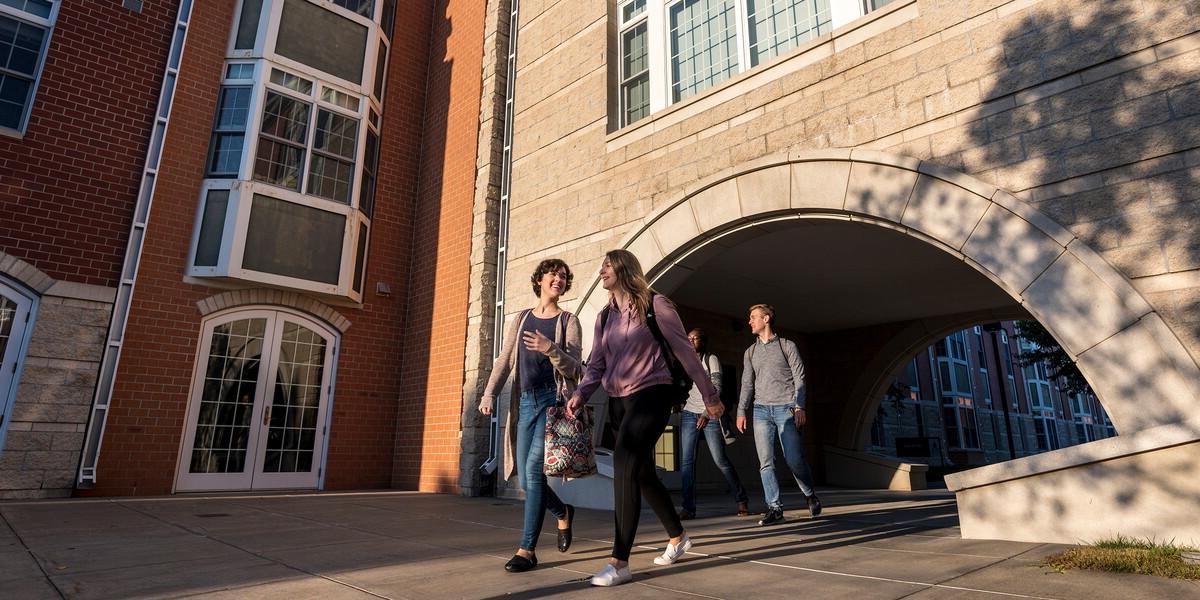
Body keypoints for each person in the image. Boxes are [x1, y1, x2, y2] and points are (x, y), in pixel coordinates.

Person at [567, 249, 725, 587]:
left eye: (607, 265)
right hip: (618, 401)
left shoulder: (656, 304)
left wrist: (710, 396)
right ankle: (678, 536)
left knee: (625, 461)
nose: (601, 270)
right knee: (640, 474)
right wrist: (579, 395)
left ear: (623, 268)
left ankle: (620, 561)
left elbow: (685, 352)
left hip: (653, 393)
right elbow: (596, 364)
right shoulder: (604, 317)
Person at [479, 258, 583, 573]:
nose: (559, 279)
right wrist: (489, 393)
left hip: (553, 405)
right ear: (540, 280)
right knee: (525, 479)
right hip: (524, 403)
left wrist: (550, 348)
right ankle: (563, 511)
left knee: (535, 474)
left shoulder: (569, 321)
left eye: (564, 276)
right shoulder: (522, 318)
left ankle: (527, 550)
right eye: (554, 274)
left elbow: (578, 370)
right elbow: (505, 359)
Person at [736, 303, 822, 526]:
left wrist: (799, 406)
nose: (749, 321)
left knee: (794, 460)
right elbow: (747, 384)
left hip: (786, 409)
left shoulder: (787, 346)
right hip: (761, 410)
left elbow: (800, 378)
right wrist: (740, 411)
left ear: (766, 319)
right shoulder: (750, 352)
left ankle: (809, 492)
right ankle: (774, 508)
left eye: (753, 317)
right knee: (766, 462)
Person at [678, 328, 749, 520]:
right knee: (686, 463)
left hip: (709, 414)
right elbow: (682, 385)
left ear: (704, 340)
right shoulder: (687, 361)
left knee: (720, 460)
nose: (691, 341)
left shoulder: (711, 359)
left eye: (695, 338)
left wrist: (706, 413)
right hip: (688, 413)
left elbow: (717, 388)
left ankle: (741, 498)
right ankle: (688, 508)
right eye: (689, 338)